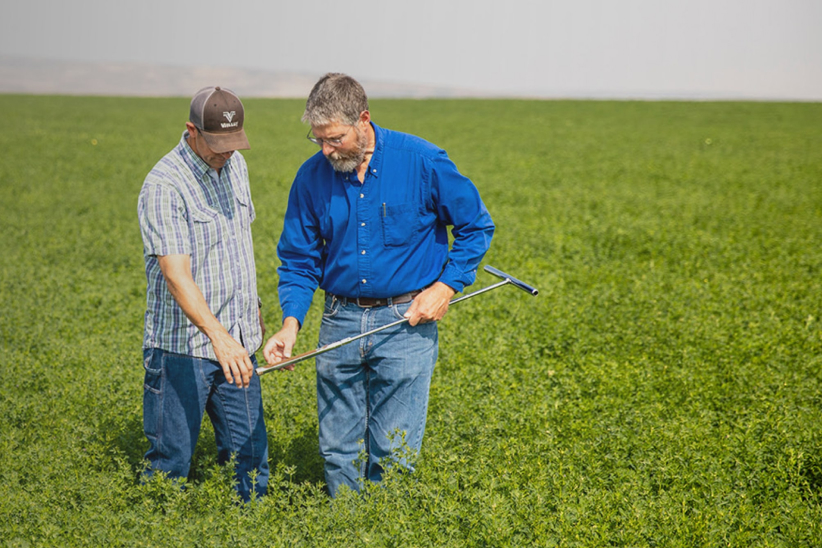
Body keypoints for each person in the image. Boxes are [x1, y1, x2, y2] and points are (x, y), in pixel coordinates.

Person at [263, 73, 494, 497]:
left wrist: (445, 286)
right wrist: (290, 323)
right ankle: (346, 532)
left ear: (363, 120)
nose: (327, 150)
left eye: (335, 138)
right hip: (340, 320)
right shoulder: (312, 177)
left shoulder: (422, 161)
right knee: (336, 450)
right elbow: (298, 259)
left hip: (405, 323)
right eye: (318, 141)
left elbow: (476, 227)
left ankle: (386, 532)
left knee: (394, 452)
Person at [137, 86, 269, 502]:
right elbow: (176, 275)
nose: (225, 153)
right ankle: (155, 528)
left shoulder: (236, 165)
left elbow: (238, 244)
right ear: (191, 131)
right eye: (217, 144)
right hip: (184, 349)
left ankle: (253, 530)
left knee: (250, 457)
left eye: (233, 144)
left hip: (236, 342)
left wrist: (254, 311)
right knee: (171, 461)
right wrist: (220, 337)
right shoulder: (165, 185)